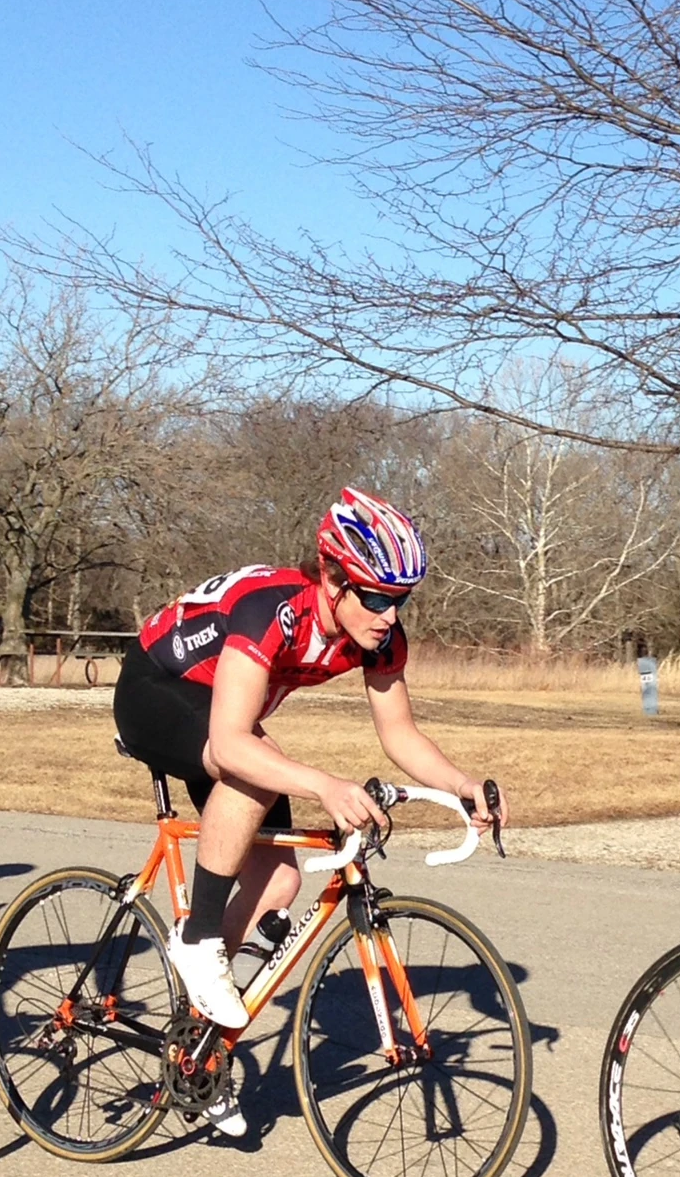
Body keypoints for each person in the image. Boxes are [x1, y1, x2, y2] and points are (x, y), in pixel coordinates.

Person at [113, 487, 504, 1137]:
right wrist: (325, 784)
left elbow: (400, 734)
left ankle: (196, 1052)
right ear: (331, 578)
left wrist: (463, 786)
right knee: (249, 776)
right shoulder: (275, 611)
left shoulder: (377, 639)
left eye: (399, 599)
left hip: (220, 717)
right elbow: (234, 743)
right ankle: (196, 939)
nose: (387, 614)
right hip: (157, 688)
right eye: (375, 596)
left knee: (279, 884)